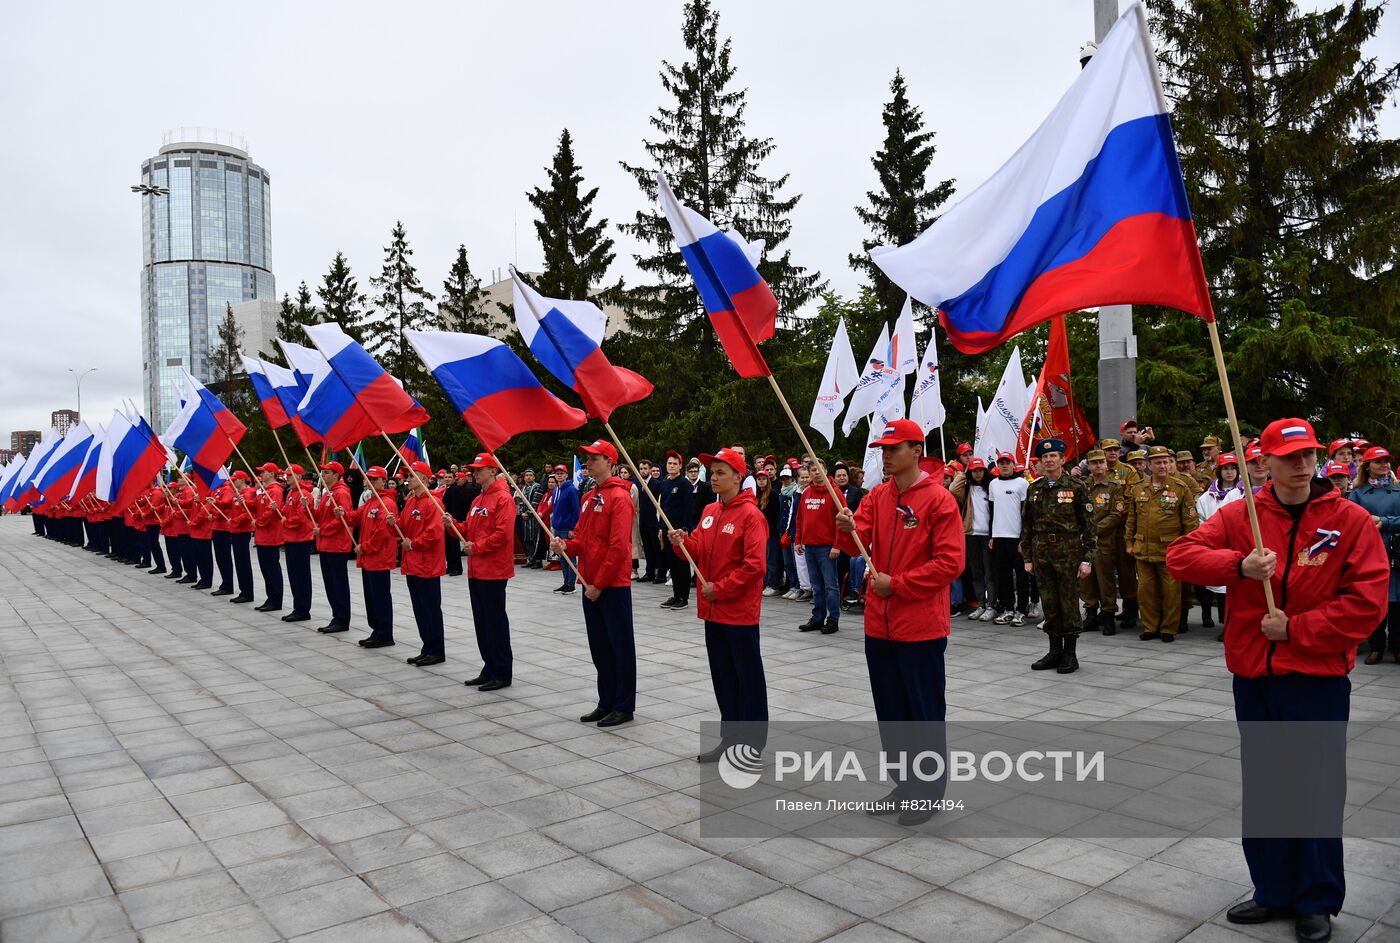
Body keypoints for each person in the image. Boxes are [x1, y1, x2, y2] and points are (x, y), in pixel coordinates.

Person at [1168, 418, 1387, 943]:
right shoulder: (1242, 514)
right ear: (1262, 462)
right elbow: (1180, 557)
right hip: (1256, 678)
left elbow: (1367, 603)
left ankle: (1315, 899)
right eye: (1290, 456)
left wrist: (1296, 628)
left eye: (1309, 454)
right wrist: (1237, 566)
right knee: (1266, 787)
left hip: (1315, 677)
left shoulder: (1350, 520)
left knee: (1314, 789)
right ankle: (1272, 889)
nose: (1303, 464)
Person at [834, 419, 964, 827]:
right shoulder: (876, 497)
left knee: (922, 713)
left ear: (916, 450)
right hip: (879, 624)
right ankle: (903, 785)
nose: (885, 455)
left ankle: (926, 793)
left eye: (894, 448)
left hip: (920, 627)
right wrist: (845, 528)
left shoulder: (938, 500)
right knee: (891, 713)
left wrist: (899, 585)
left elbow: (949, 563)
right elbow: (855, 542)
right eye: (883, 448)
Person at [668, 447, 769, 762]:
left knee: (746, 679)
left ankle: (750, 743)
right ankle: (730, 738)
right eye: (712, 473)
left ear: (739, 477)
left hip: (738, 614)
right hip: (713, 612)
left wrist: (721, 589)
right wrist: (683, 542)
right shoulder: (710, 512)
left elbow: (755, 567)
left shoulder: (751, 516)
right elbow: (697, 549)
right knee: (724, 677)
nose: (714, 477)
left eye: (720, 472)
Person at [551, 440, 636, 728]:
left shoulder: (619, 498)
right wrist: (566, 545)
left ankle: (623, 705)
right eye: (587, 458)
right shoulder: (590, 497)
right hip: (590, 584)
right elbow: (582, 539)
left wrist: (599, 584)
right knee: (600, 646)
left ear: (611, 462)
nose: (588, 462)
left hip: (611, 586)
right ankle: (606, 700)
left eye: (595, 458)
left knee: (620, 646)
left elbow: (618, 548)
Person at [1020, 439, 1095, 673]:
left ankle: (1070, 654)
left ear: (1063, 460)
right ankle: (1054, 651)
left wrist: (1087, 558)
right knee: (1049, 602)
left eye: (1054, 456)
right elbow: (1027, 525)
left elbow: (1090, 526)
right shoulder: (1034, 489)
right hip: (1042, 552)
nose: (1049, 460)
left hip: (1069, 552)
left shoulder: (1077, 487)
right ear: (1040, 463)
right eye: (1045, 457)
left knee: (1069, 602)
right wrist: (1028, 557)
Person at [448, 452, 516, 691]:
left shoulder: (503, 499)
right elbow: (468, 528)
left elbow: (502, 535)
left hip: (493, 570)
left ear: (493, 472)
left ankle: (502, 671)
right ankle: (489, 667)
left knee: (495, 621)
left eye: (479, 470)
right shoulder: (478, 500)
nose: (475, 474)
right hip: (476, 570)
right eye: (474, 470)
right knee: (482, 622)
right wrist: (453, 525)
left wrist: (477, 547)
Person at [1126, 445, 1199, 641]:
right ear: (1149, 465)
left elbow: (1190, 521)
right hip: (1143, 547)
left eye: (1166, 461)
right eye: (1158, 462)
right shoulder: (1139, 487)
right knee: (1146, 590)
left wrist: (1187, 547)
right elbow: (1132, 518)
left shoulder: (1180, 488)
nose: (1163, 466)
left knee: (1171, 591)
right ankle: (1150, 627)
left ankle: (1168, 628)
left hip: (1170, 549)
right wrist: (1129, 542)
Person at [1349, 445, 1399, 665]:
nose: (1384, 464)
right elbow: (1349, 522)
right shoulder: (1357, 494)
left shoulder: (1399, 491)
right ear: (1368, 466)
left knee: (1397, 603)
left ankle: (1397, 646)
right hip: (1370, 552)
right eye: (1379, 461)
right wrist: (1369, 522)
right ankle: (1377, 646)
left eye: (1387, 461)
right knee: (1374, 601)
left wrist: (1384, 521)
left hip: (1397, 554)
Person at [338, 466, 397, 649]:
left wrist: (365, 547)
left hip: (378, 558)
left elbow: (383, 533)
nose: (370, 482)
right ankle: (377, 630)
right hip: (368, 559)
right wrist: (343, 514)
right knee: (371, 597)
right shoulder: (371, 501)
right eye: (368, 479)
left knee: (380, 597)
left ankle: (385, 633)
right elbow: (355, 517)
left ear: (383, 481)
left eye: (374, 479)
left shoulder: (386, 502)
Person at [400, 461, 446, 667]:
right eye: (407, 475)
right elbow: (403, 528)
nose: (408, 479)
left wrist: (414, 544)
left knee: (430, 608)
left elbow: (434, 532)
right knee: (419, 608)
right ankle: (427, 646)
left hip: (427, 564)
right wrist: (394, 524)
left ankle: (436, 650)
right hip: (412, 563)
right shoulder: (411, 501)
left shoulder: (432, 503)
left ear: (425, 479)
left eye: (412, 475)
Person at [1195, 452, 1245, 641]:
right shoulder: (1207, 497)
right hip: (1215, 546)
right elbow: (1202, 520)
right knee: (1217, 588)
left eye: (1233, 468)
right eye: (1226, 468)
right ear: (1219, 471)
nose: (1230, 472)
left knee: (1235, 587)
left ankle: (1234, 625)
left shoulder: (1243, 492)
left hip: (1238, 546)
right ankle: (1224, 624)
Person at [1079, 449, 1128, 636]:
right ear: (1089, 466)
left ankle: (1108, 615)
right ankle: (1090, 614)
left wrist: (1094, 530)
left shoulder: (1114, 486)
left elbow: (1117, 514)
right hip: (1084, 542)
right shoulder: (1083, 485)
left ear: (1106, 464)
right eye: (1094, 463)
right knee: (1086, 580)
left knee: (1105, 579)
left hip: (1103, 541)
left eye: (1101, 462)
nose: (1098, 465)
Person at [795, 458, 846, 634]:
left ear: (825, 470)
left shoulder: (835, 493)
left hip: (827, 547)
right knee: (816, 585)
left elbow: (843, 520)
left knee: (830, 585)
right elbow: (800, 518)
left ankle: (833, 619)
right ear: (809, 473)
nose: (816, 472)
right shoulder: (807, 493)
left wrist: (837, 545)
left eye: (820, 469)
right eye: (813, 469)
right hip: (809, 546)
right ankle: (817, 617)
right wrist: (798, 540)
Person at [988, 452, 1030, 625]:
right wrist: (992, 535)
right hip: (999, 536)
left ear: (1014, 464)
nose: (1004, 466)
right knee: (1003, 576)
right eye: (1001, 463)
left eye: (1007, 462)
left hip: (1016, 537)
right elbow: (992, 510)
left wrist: (1024, 538)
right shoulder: (993, 484)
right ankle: (1008, 608)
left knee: (1021, 576)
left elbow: (1027, 513)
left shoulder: (1022, 483)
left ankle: (1021, 610)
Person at [313, 461, 355, 633]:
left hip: (336, 545)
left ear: (337, 475)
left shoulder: (341, 493)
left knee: (338, 583)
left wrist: (322, 531)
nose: (323, 475)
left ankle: (342, 619)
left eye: (327, 472)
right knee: (330, 583)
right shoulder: (327, 493)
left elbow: (341, 520)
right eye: (323, 472)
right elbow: (322, 515)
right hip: (325, 544)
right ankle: (336, 616)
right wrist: (308, 506)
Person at [659, 453, 698, 610]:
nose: (672, 466)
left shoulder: (684, 484)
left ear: (680, 466)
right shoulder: (665, 483)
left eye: (675, 463)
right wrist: (661, 528)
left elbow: (689, 508)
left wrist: (686, 529)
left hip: (680, 531)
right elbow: (663, 508)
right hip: (667, 531)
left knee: (681, 564)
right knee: (672, 565)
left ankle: (684, 597)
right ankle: (676, 595)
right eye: (669, 463)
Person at [280, 464, 316, 624]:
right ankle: (297, 607)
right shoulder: (290, 493)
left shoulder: (304, 495)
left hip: (300, 539)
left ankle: (303, 609)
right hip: (290, 538)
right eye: (286, 475)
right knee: (293, 575)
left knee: (301, 575)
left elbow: (300, 518)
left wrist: (285, 522)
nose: (287, 478)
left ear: (299, 477)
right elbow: (287, 512)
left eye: (290, 475)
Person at [218, 471, 257, 603]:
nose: (233, 482)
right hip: (235, 530)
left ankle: (247, 592)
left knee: (243, 562)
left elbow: (249, 513)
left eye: (235, 480)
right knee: (239, 562)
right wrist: (214, 501)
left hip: (242, 531)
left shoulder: (249, 493)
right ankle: (243, 591)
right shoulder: (237, 494)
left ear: (242, 480)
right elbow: (227, 505)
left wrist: (234, 521)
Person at [252, 463, 285, 612]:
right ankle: (270, 597)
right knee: (266, 569)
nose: (261, 474)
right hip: (262, 535)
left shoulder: (275, 490)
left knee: (272, 569)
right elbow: (255, 506)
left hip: (270, 535)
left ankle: (276, 600)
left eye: (264, 472)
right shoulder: (264, 491)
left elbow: (272, 512)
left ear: (271, 474)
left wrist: (258, 522)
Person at [551, 463, 581, 593]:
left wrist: (573, 528)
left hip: (566, 527)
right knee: (562, 557)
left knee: (570, 556)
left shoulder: (571, 490)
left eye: (561, 473)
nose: (559, 475)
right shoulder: (556, 489)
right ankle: (565, 582)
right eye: (557, 473)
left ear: (566, 475)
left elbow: (576, 510)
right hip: (558, 526)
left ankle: (571, 584)